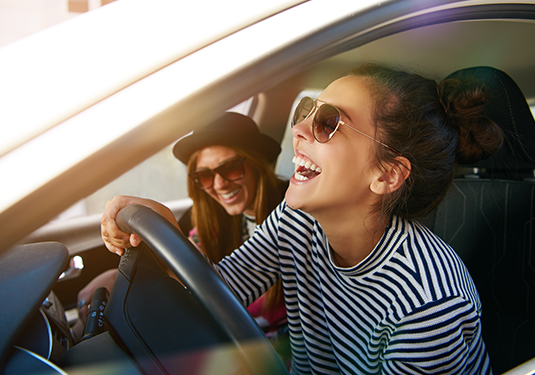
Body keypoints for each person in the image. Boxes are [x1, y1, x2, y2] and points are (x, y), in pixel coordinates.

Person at [102, 63, 503, 374]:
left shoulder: (428, 303)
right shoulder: (299, 223)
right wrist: (163, 230)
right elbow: (218, 292)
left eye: (328, 122)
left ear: (386, 174)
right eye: (306, 110)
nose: (298, 129)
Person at [80, 113, 290, 364]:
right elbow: (194, 275)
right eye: (205, 176)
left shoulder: (291, 216)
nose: (219, 184)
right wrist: (116, 276)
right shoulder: (212, 216)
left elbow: (231, 289)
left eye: (231, 167)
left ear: (257, 163)